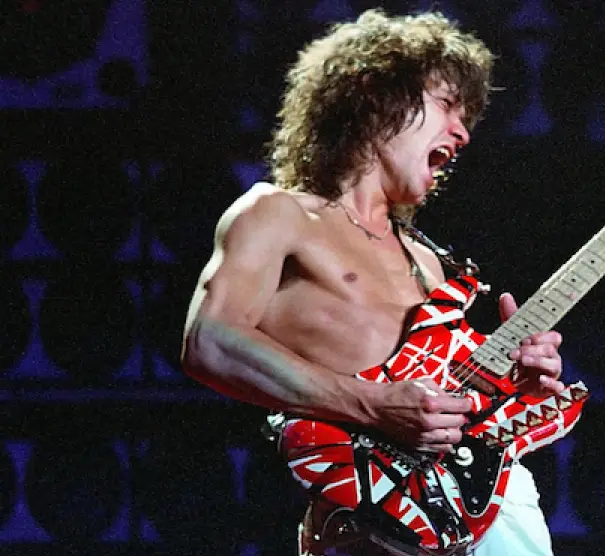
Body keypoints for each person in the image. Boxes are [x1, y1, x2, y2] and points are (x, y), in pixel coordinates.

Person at [180, 9, 565, 556]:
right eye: (447, 105)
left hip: (490, 509)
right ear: (374, 95)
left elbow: (448, 410)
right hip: (372, 519)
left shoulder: (431, 262)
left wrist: (515, 386)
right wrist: (373, 405)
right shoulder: (279, 213)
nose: (462, 133)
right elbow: (210, 341)